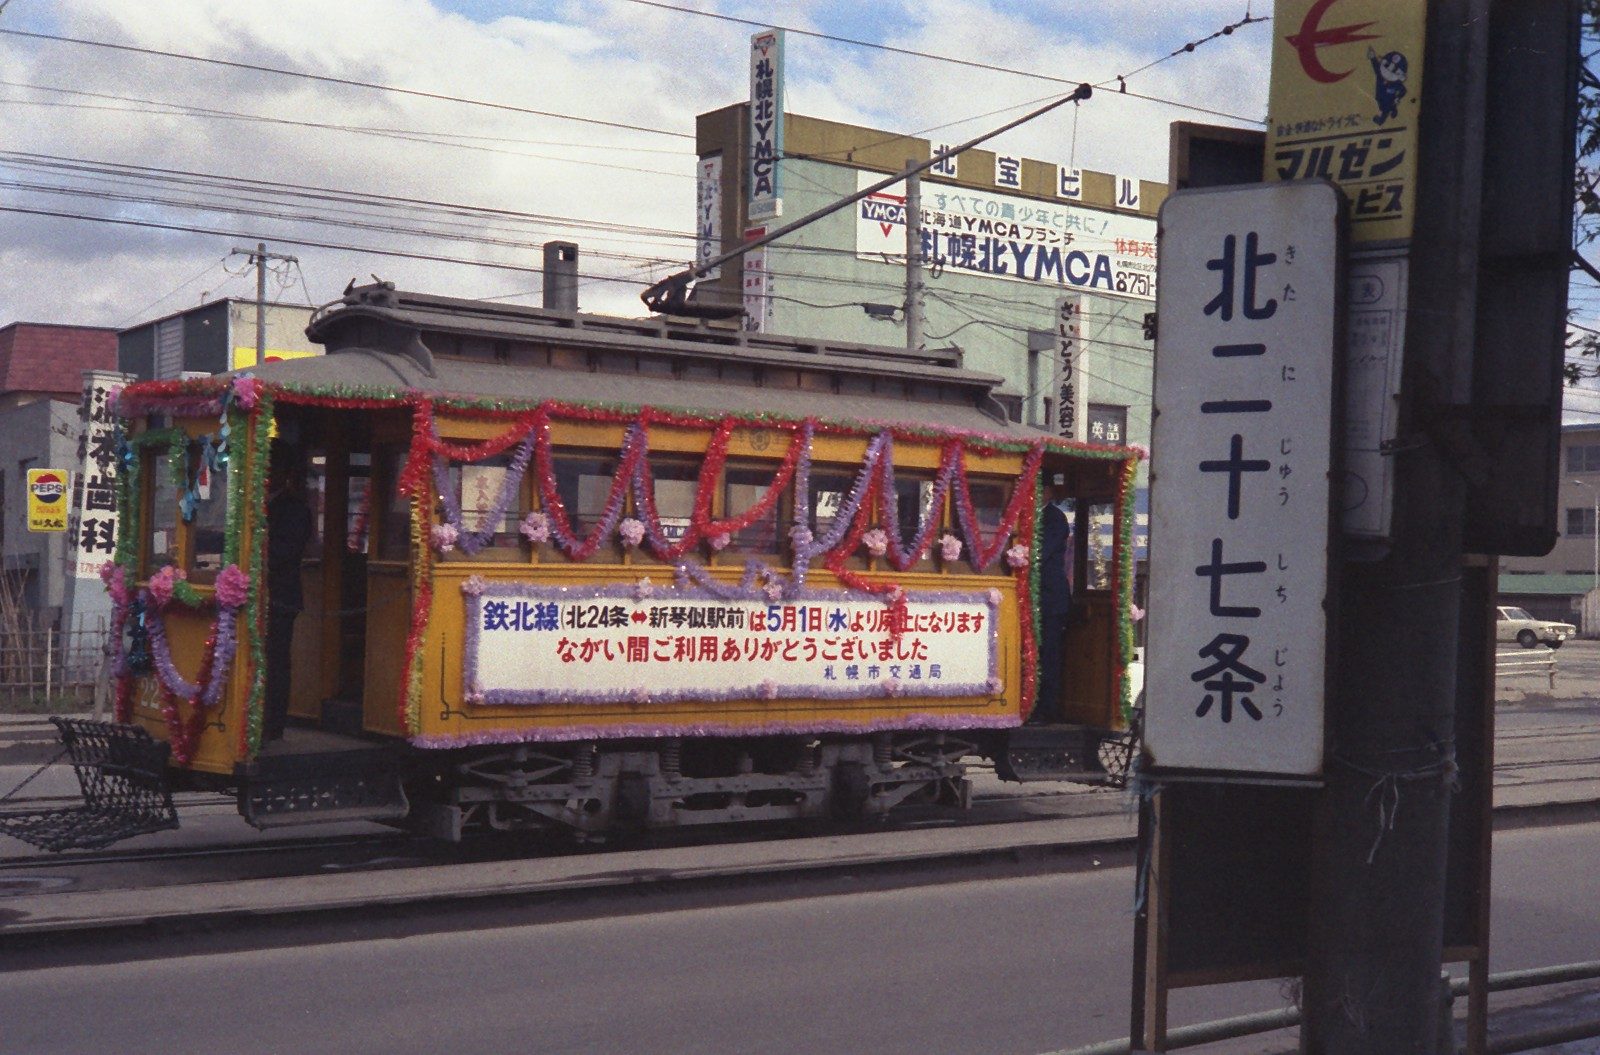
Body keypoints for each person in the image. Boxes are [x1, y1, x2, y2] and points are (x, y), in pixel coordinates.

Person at [263, 442, 314, 741]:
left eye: (272, 469)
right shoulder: (258, 504)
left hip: (280, 596)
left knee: (276, 660)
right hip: (262, 594)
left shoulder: (295, 509)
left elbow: (285, 552)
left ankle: (273, 725)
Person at [1032, 472, 1074, 724]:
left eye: (1039, 488)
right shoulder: (1028, 514)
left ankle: (1048, 711)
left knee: (1048, 655)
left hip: (1051, 598)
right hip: (1036, 597)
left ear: (1048, 492)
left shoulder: (1055, 519)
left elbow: (1040, 554)